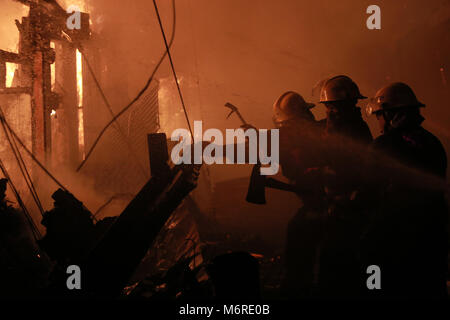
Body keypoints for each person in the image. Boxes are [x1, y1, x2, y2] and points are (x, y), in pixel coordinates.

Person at [362, 82, 448, 299]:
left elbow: (368, 187)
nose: (379, 123)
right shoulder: (432, 142)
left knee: (377, 284)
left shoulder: (384, 145)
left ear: (391, 115)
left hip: (393, 239)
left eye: (380, 116)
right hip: (432, 238)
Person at [316, 75, 373, 298]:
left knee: (342, 269)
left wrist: (322, 173)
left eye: (331, 106)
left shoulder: (351, 132)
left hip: (349, 212)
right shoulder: (340, 128)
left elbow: (349, 170)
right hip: (341, 209)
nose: (328, 111)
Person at [271, 91, 327, 298]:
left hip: (326, 205)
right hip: (324, 203)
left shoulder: (317, 135)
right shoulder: (321, 130)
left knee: (299, 238)